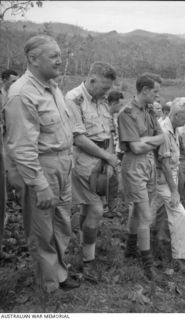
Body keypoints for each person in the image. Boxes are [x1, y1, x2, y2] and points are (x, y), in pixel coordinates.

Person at [4, 35, 79, 292]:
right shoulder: (22, 93)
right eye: (54, 56)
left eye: (60, 55)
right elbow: (22, 148)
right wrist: (39, 184)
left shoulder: (53, 87)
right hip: (42, 168)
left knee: (61, 223)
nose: (60, 61)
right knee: (41, 229)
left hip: (63, 165)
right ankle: (48, 286)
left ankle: (59, 274)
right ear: (33, 59)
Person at [65, 61, 120, 282]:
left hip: (101, 161)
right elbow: (78, 137)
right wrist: (106, 156)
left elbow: (107, 130)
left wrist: (108, 158)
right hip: (83, 162)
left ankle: (81, 246)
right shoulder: (73, 99)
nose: (107, 92)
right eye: (104, 88)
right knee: (96, 210)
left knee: (89, 208)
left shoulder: (102, 100)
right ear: (92, 80)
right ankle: (88, 260)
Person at [118, 73, 164, 280]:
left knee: (137, 210)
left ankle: (130, 249)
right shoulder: (127, 113)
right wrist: (150, 140)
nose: (157, 95)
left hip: (149, 165)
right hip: (135, 165)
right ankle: (147, 264)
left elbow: (162, 136)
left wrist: (148, 139)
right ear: (144, 90)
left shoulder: (149, 111)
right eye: (155, 91)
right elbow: (135, 148)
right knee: (145, 215)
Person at [151, 97, 185, 273]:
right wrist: (175, 192)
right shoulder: (164, 131)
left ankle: (151, 251)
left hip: (168, 178)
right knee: (179, 215)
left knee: (154, 215)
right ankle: (180, 258)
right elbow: (165, 165)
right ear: (175, 114)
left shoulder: (175, 128)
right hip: (163, 179)